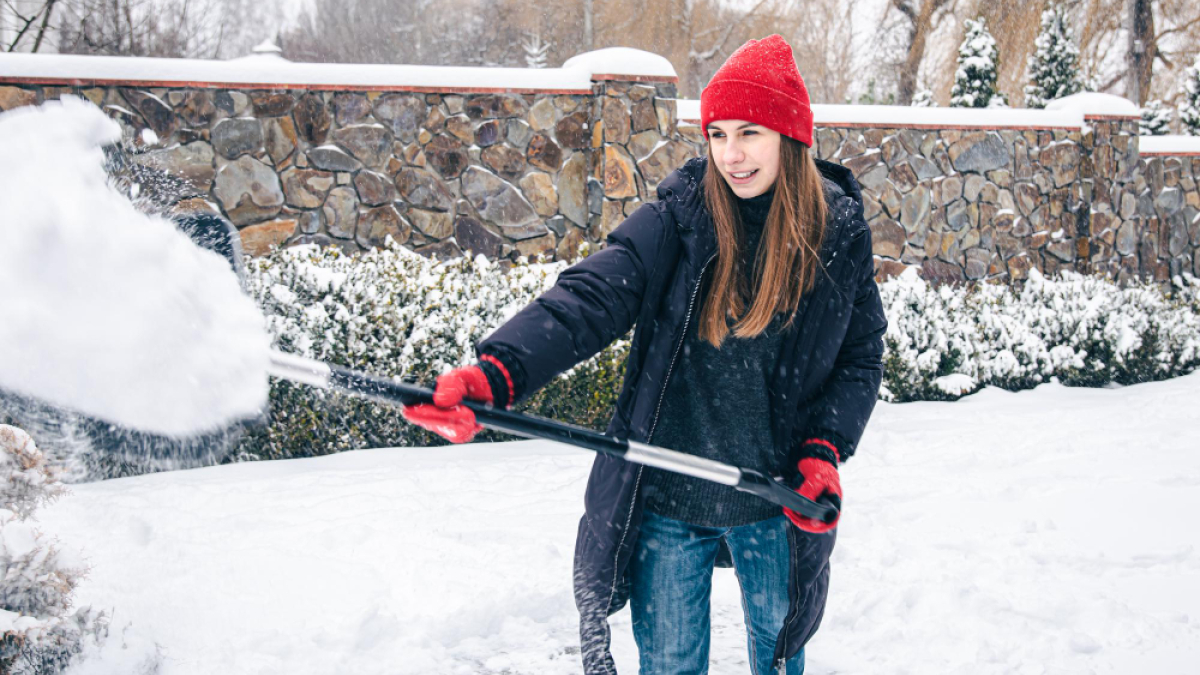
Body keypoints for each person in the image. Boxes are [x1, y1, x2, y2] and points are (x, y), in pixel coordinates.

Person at [402, 34, 887, 675]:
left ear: (790, 137)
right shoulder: (680, 217)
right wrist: (499, 372)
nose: (731, 154)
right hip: (669, 498)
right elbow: (590, 296)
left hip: (776, 499)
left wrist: (823, 450)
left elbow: (860, 356)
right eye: (718, 135)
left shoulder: (835, 234)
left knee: (779, 659)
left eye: (750, 133)